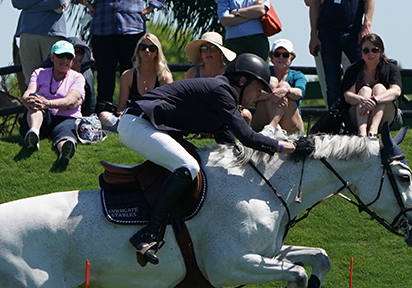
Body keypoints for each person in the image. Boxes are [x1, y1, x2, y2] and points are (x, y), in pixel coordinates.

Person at [119, 54, 298, 265]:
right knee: (188, 166)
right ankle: (148, 234)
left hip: (150, 125)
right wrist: (285, 147)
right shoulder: (221, 91)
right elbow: (248, 137)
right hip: (137, 123)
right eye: (259, 88)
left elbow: (234, 149)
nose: (260, 95)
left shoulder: (222, 101)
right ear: (242, 81)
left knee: (199, 164)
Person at [20, 40, 86, 165]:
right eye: (60, 56)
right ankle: (34, 132)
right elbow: (28, 92)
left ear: (72, 60)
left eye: (69, 57)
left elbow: (71, 101)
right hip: (43, 116)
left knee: (64, 131)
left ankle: (65, 150)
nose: (65, 60)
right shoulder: (39, 73)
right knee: (36, 97)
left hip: (66, 118)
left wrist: (48, 103)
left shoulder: (78, 78)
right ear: (52, 57)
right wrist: (29, 100)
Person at [101, 32, 173, 129]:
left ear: (157, 52)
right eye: (143, 47)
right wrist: (121, 114)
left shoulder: (164, 77)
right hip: (131, 118)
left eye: (152, 49)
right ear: (138, 51)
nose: (147, 51)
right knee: (104, 116)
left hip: (155, 120)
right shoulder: (128, 75)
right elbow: (122, 107)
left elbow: (168, 108)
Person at [340, 33, 403, 138]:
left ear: (381, 51)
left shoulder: (390, 68)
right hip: (358, 115)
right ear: (361, 52)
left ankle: (373, 131)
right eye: (366, 51)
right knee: (364, 90)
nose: (370, 54)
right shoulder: (353, 70)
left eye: (375, 50)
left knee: (379, 88)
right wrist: (362, 100)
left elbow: (396, 91)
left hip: (385, 117)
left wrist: (375, 100)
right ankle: (362, 132)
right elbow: (347, 95)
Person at [253, 38, 306, 133]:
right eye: (277, 54)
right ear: (272, 58)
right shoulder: (264, 74)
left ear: (291, 58)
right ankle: (272, 128)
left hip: (291, 124)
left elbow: (299, 93)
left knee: (284, 85)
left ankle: (272, 128)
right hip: (263, 121)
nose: (281, 58)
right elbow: (252, 94)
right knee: (272, 82)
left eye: (285, 55)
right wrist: (273, 94)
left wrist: (286, 91)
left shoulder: (297, 75)